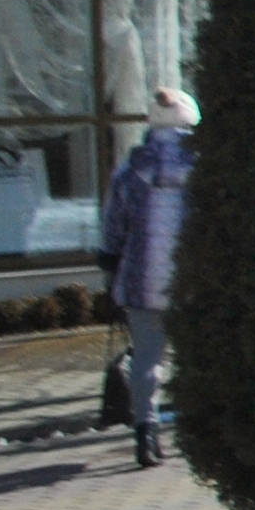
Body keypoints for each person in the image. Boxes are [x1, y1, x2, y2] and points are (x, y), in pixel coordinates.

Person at [98, 88, 195, 468]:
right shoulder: (202, 167)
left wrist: (109, 262)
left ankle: (145, 431)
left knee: (147, 359)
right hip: (190, 280)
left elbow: (113, 225)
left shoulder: (131, 169)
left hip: (141, 279)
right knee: (192, 359)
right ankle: (195, 431)